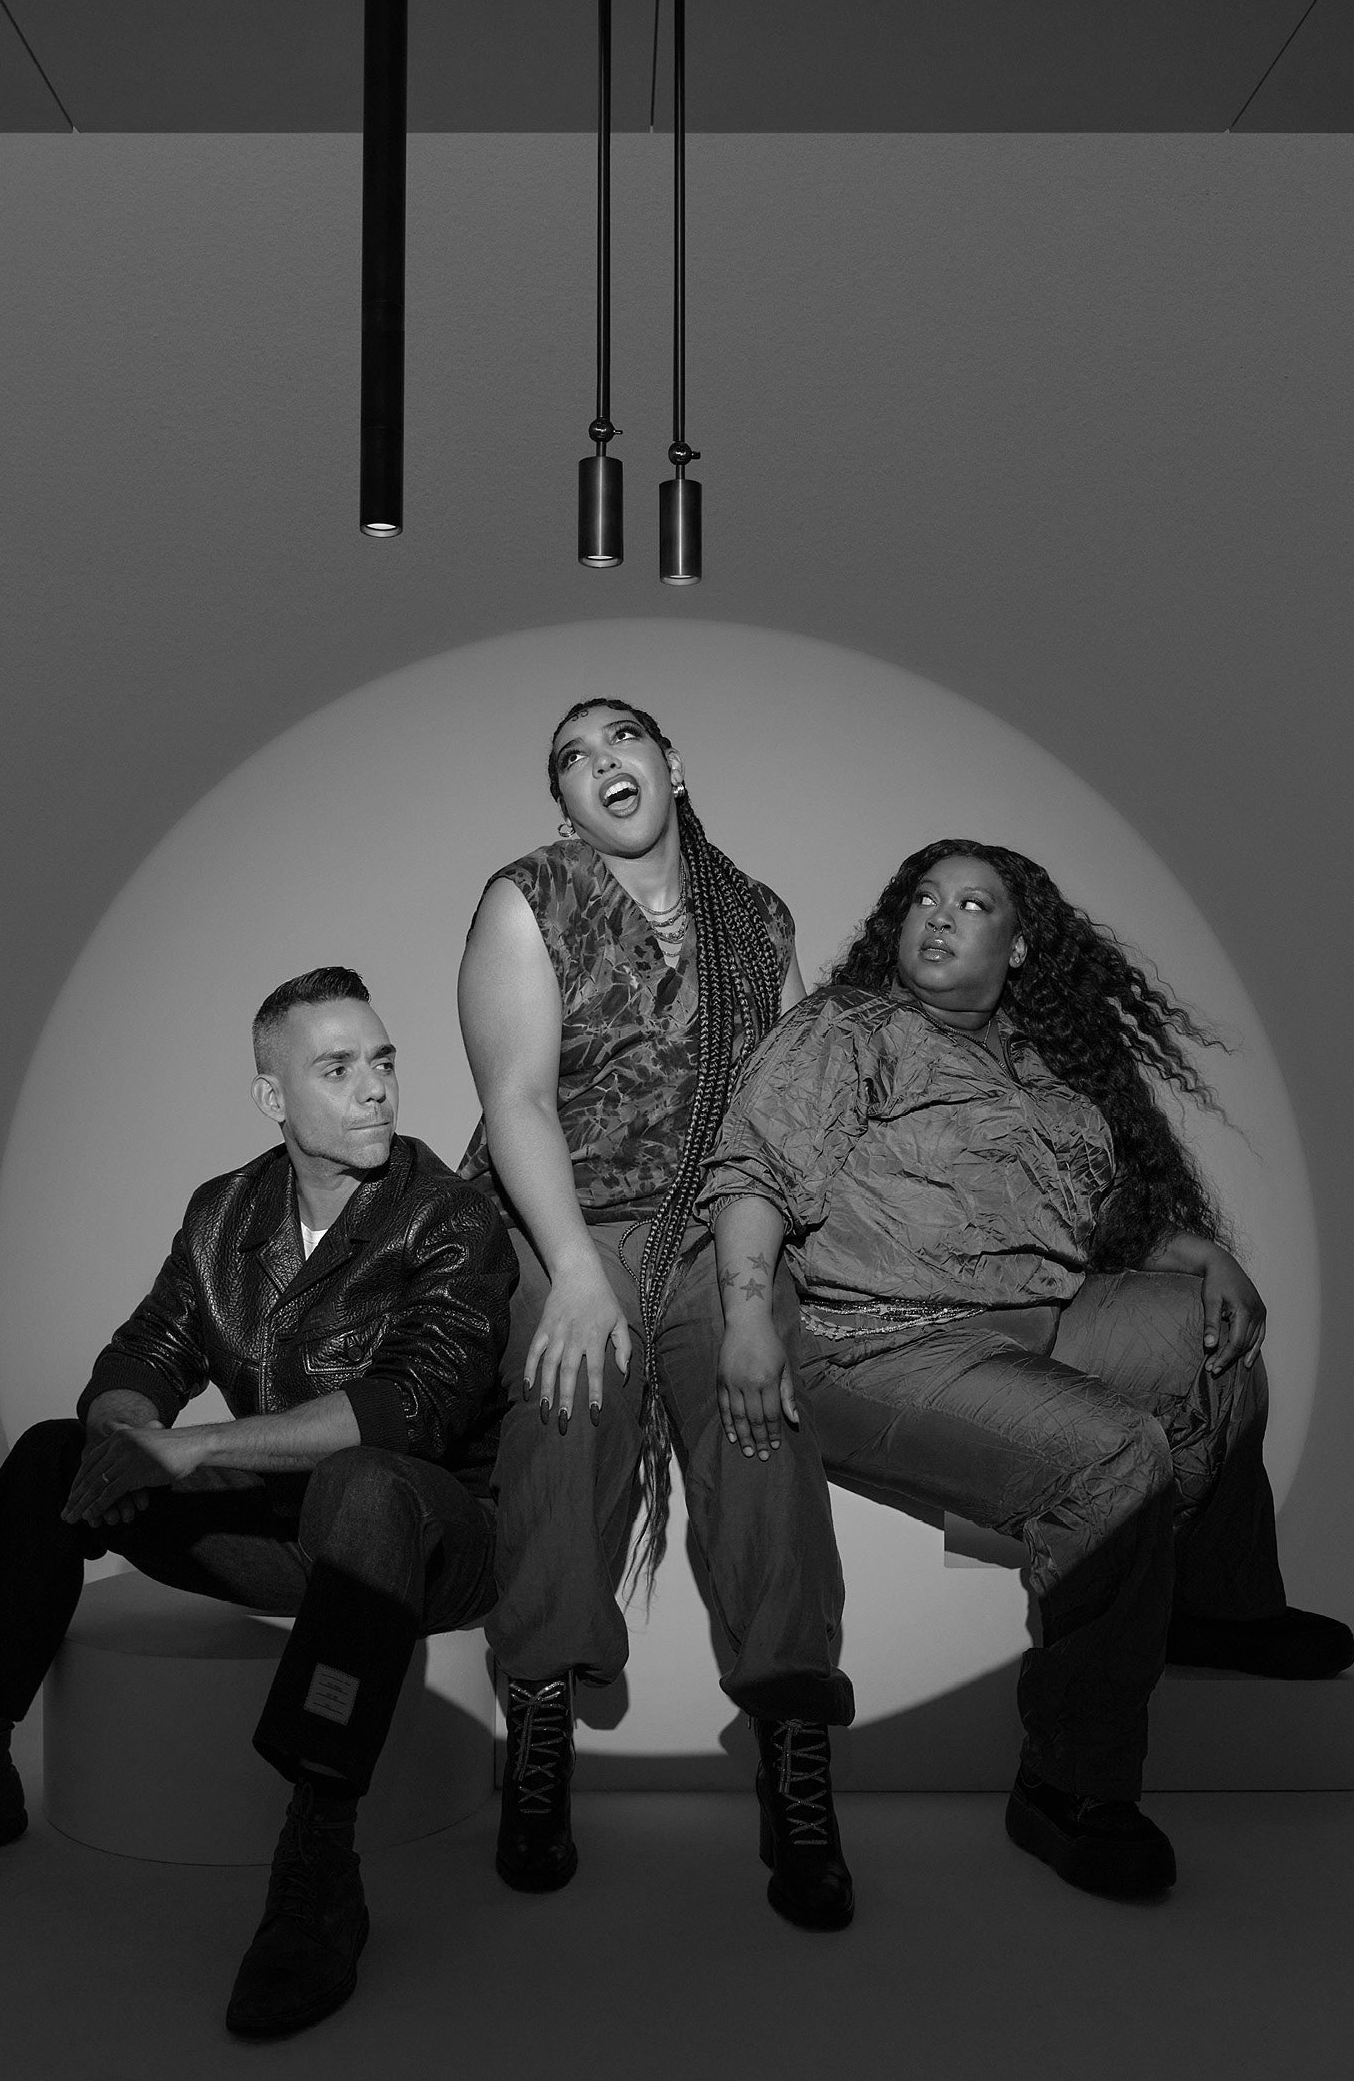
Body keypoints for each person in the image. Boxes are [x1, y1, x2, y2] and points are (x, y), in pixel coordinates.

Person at [0, 966, 515, 2040]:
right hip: (283, 1527)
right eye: (339, 1067)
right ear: (272, 1096)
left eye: (384, 1061)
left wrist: (189, 1447)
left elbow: (410, 1410)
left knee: (362, 1483)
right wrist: (125, 1438)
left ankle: (318, 1859)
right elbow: (142, 1357)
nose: (376, 1089)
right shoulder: (225, 1214)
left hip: (427, 1538)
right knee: (54, 1454)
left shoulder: (448, 1217)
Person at [700, 842, 1354, 1902]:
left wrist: (1204, 1257)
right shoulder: (847, 1029)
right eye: (925, 897)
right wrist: (742, 1317)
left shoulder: (1040, 1063)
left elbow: (1091, 1220)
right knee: (1114, 1457)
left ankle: (1215, 1605)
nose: (939, 916)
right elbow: (753, 1172)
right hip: (879, 1343)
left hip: (1032, 1319)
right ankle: (1065, 1784)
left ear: (1017, 945)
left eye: (973, 904)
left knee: (1211, 1351)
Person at [456, 698, 856, 1929]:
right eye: (570, 760)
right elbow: (516, 1100)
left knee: (760, 1420)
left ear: (670, 765)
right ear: (563, 807)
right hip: (563, 1215)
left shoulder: (756, 917)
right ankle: (537, 1723)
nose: (600, 762)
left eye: (619, 738)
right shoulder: (526, 899)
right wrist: (574, 1270)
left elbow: (784, 1121)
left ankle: (793, 1748)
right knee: (566, 1395)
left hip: (717, 1226)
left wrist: (754, 1293)